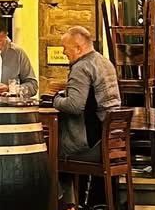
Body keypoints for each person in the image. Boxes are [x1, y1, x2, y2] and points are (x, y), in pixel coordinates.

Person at [51, 25, 121, 161]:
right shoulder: (105, 62)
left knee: (50, 149)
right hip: (110, 140)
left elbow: (74, 106)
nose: (63, 52)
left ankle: (65, 182)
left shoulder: (81, 67)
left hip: (89, 145)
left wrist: (55, 99)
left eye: (65, 47)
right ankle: (87, 183)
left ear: (78, 48)